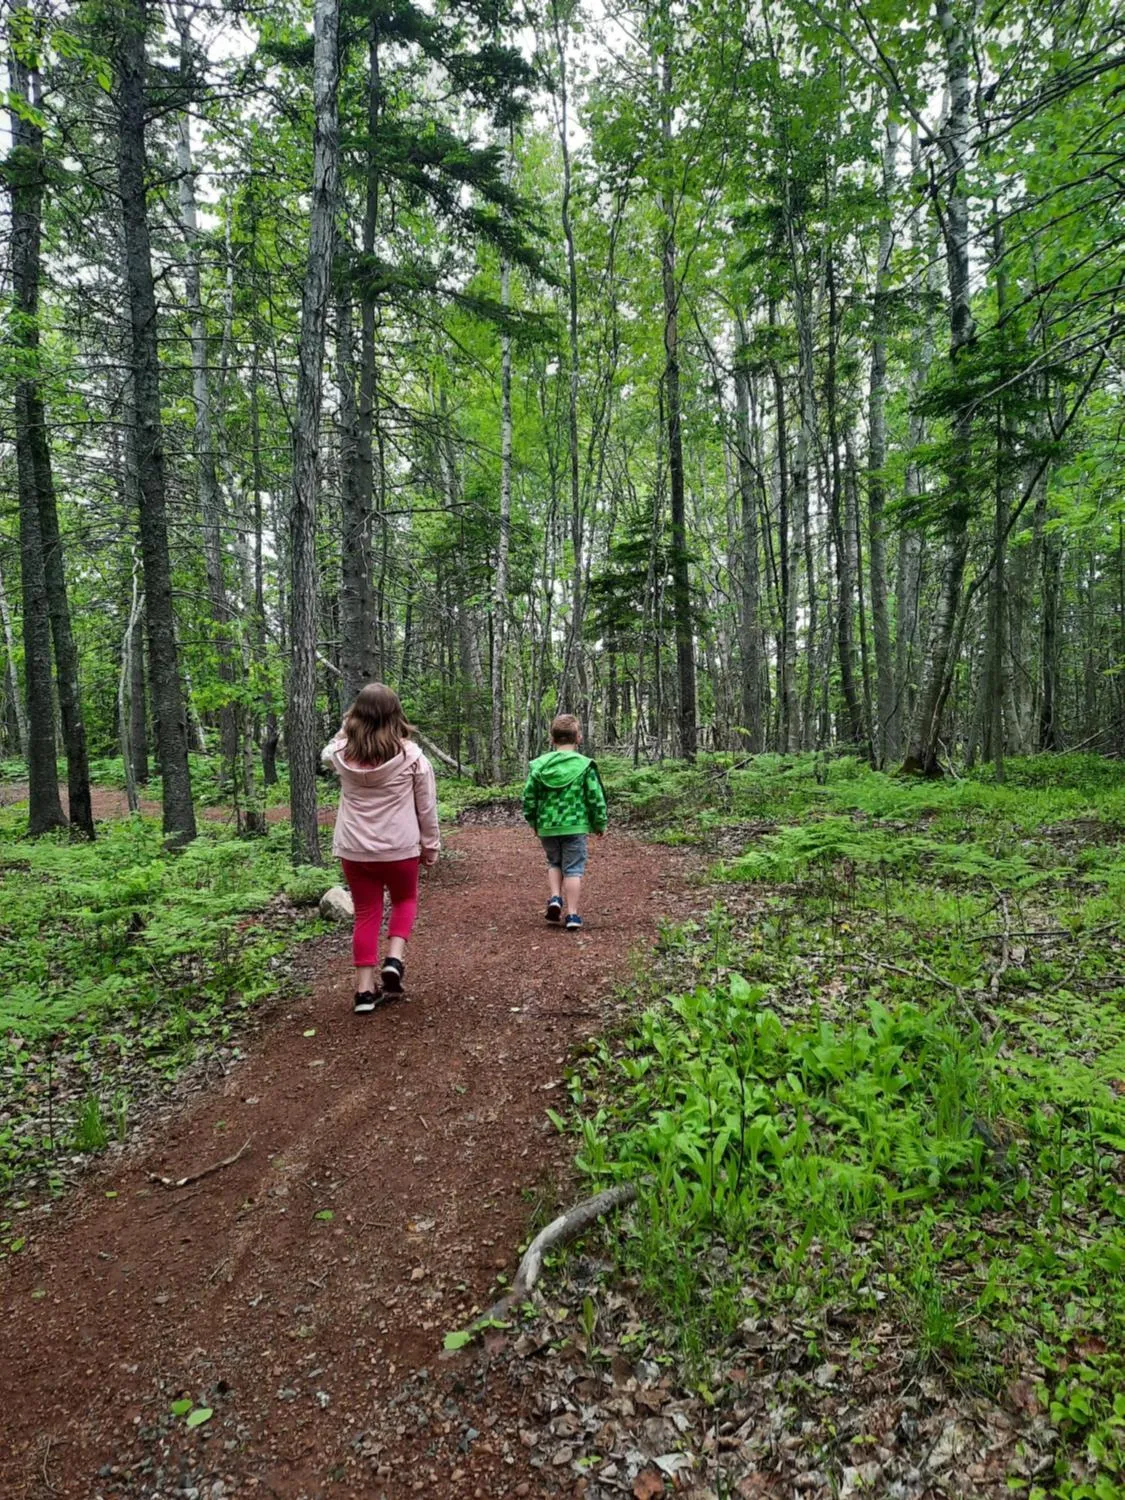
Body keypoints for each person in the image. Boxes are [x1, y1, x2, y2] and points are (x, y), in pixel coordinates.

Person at [321, 683, 440, 1014]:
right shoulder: (412, 757)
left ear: (356, 716)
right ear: (396, 715)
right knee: (405, 900)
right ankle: (394, 959)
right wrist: (431, 845)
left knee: (366, 912)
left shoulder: (341, 755)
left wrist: (345, 729)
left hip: (354, 849)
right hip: (399, 848)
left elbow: (326, 752)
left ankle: (363, 991)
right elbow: (426, 807)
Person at [522, 714, 608, 931]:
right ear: (578, 738)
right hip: (575, 826)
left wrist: (533, 821)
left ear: (552, 739)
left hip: (547, 826)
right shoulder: (585, 766)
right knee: (573, 869)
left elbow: (529, 798)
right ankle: (572, 914)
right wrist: (599, 823)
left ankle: (554, 897)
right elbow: (595, 797)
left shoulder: (540, 766)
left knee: (554, 862)